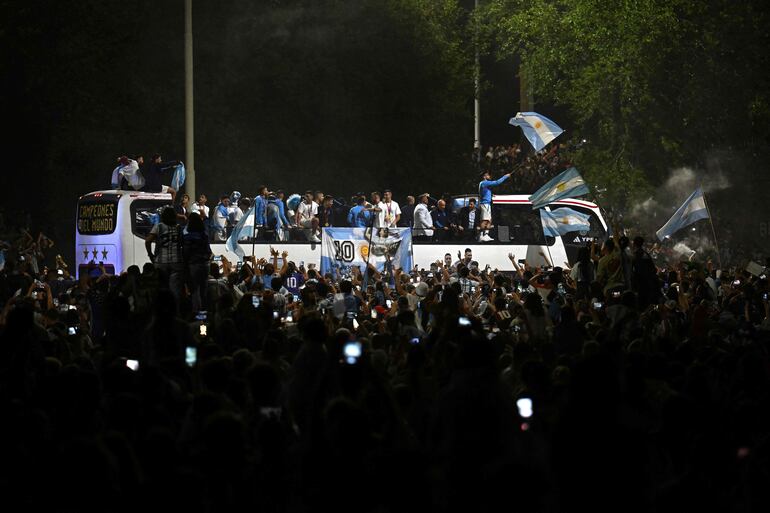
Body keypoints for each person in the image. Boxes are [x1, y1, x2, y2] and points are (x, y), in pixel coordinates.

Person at [144, 206, 184, 304]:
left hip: (160, 262)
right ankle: (175, 311)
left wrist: (151, 255)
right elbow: (182, 244)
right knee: (175, 289)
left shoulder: (159, 226)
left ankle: (161, 310)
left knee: (161, 288)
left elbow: (148, 241)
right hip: (176, 262)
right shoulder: (179, 228)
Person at [183, 213, 212, 312]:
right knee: (203, 290)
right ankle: (204, 313)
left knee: (195, 290)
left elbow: (186, 253)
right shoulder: (205, 235)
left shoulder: (187, 237)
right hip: (205, 265)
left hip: (194, 265)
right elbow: (209, 251)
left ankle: (197, 314)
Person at [478, 169, 512, 241]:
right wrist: (505, 176)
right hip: (485, 204)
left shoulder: (482, 184)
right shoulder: (485, 183)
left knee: (489, 220)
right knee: (485, 220)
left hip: (485, 203)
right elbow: (497, 182)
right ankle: (481, 236)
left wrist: (490, 195)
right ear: (484, 176)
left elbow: (484, 193)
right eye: (488, 175)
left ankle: (485, 235)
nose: (489, 176)